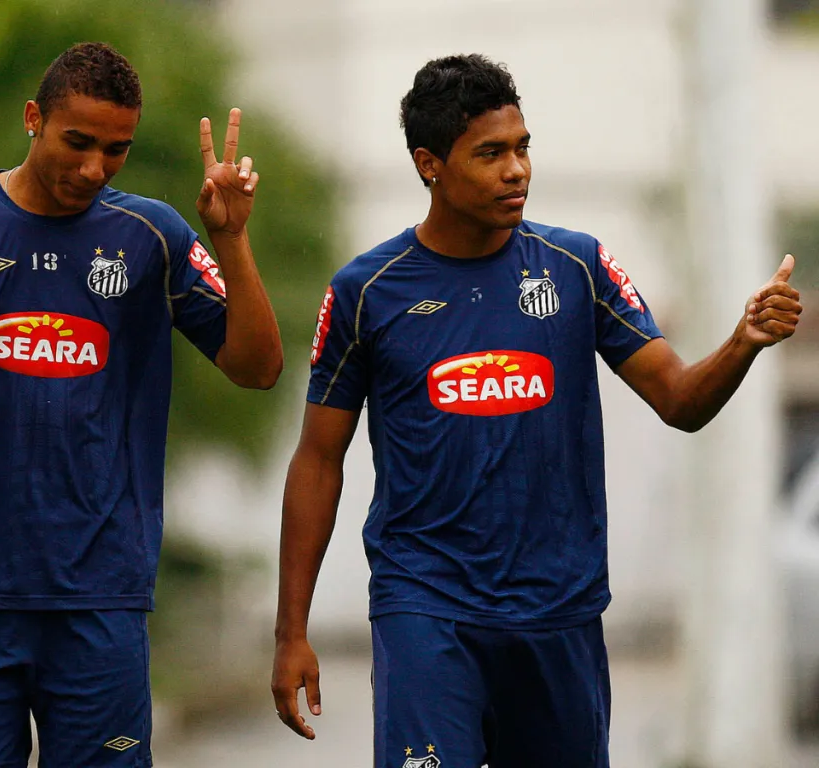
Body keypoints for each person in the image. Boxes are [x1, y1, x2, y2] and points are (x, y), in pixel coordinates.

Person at [271, 53, 801, 768]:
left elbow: (679, 400)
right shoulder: (368, 291)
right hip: (426, 605)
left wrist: (744, 342)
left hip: (559, 610)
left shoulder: (577, 267)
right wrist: (291, 632)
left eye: (522, 148)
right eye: (490, 154)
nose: (516, 170)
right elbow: (317, 460)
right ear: (430, 164)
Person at [0, 41, 282, 767]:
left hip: (101, 594)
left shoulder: (154, 236)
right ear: (33, 118)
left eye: (116, 150)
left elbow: (258, 368)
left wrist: (231, 241)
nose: (94, 168)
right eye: (78, 142)